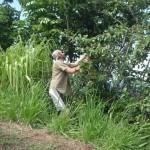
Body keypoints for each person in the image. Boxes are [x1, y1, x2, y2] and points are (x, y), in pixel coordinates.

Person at [49, 49, 86, 114]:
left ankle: (59, 123)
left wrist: (84, 56)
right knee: (65, 111)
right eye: (61, 52)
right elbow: (71, 71)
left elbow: (75, 63)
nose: (63, 52)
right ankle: (59, 124)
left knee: (64, 111)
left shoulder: (63, 63)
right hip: (54, 89)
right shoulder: (58, 62)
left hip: (57, 90)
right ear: (58, 55)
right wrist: (80, 67)